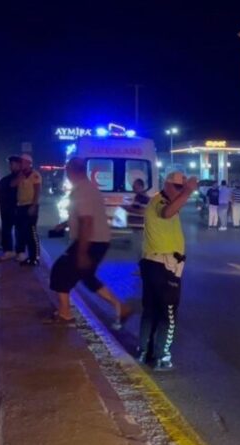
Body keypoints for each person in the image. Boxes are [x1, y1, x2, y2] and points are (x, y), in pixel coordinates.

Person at [48, 158, 127, 326]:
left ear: (71, 171)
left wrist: (82, 252)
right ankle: (120, 307)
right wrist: (64, 224)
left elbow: (87, 221)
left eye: (67, 170)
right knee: (86, 276)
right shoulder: (86, 188)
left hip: (91, 240)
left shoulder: (83, 190)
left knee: (60, 272)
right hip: (97, 240)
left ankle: (65, 314)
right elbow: (82, 215)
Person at [138, 171, 197, 371]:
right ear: (167, 185)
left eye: (182, 188)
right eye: (177, 187)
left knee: (151, 310)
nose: (180, 192)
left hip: (154, 264)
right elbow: (167, 213)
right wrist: (188, 191)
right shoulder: (160, 202)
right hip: (163, 266)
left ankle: (144, 351)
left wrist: (183, 194)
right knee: (168, 314)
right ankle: (162, 356)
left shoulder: (163, 200)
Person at [13, 153, 42, 265]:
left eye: (23, 162)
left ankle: (35, 257)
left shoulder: (35, 175)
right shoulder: (20, 175)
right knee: (21, 231)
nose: (21, 164)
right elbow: (12, 185)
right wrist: (19, 177)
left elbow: (37, 191)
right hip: (20, 206)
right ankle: (23, 255)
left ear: (29, 163)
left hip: (30, 205)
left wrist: (33, 206)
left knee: (31, 232)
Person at [0, 156, 21, 259]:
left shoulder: (23, 178)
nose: (10, 166)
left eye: (12, 164)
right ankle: (8, 250)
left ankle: (20, 251)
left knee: (19, 230)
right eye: (10, 164)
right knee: (6, 230)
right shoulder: (5, 179)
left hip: (17, 208)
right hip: (7, 209)